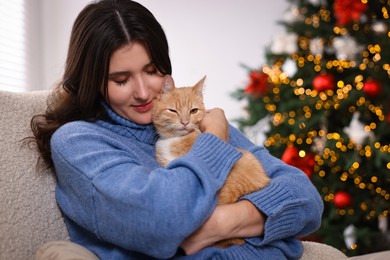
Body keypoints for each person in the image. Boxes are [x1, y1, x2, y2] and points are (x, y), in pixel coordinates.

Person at [30, 0, 323, 259]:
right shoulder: (79, 142)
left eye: (152, 71)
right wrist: (217, 140)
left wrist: (221, 224)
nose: (144, 92)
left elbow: (305, 199)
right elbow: (163, 220)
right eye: (121, 80)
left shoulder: (199, 122)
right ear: (92, 81)